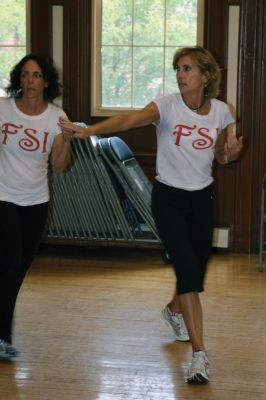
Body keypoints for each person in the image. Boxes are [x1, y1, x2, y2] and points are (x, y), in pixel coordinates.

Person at [59, 46, 243, 384]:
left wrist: (230, 153)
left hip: (202, 199)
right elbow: (129, 120)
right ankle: (200, 356)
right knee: (188, 272)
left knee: (194, 267)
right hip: (168, 198)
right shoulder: (167, 105)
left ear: (205, 76)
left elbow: (220, 157)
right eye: (178, 68)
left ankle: (173, 309)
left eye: (187, 69)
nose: (180, 74)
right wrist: (89, 130)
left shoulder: (222, 111)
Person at [0, 53, 72, 360]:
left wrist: (66, 139)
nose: (30, 81)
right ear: (19, 79)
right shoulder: (2, 109)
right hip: (3, 197)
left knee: (17, 269)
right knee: (8, 263)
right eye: (26, 75)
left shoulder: (55, 117)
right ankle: (3, 337)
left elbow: (59, 165)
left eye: (37, 75)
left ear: (46, 82)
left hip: (35, 201)